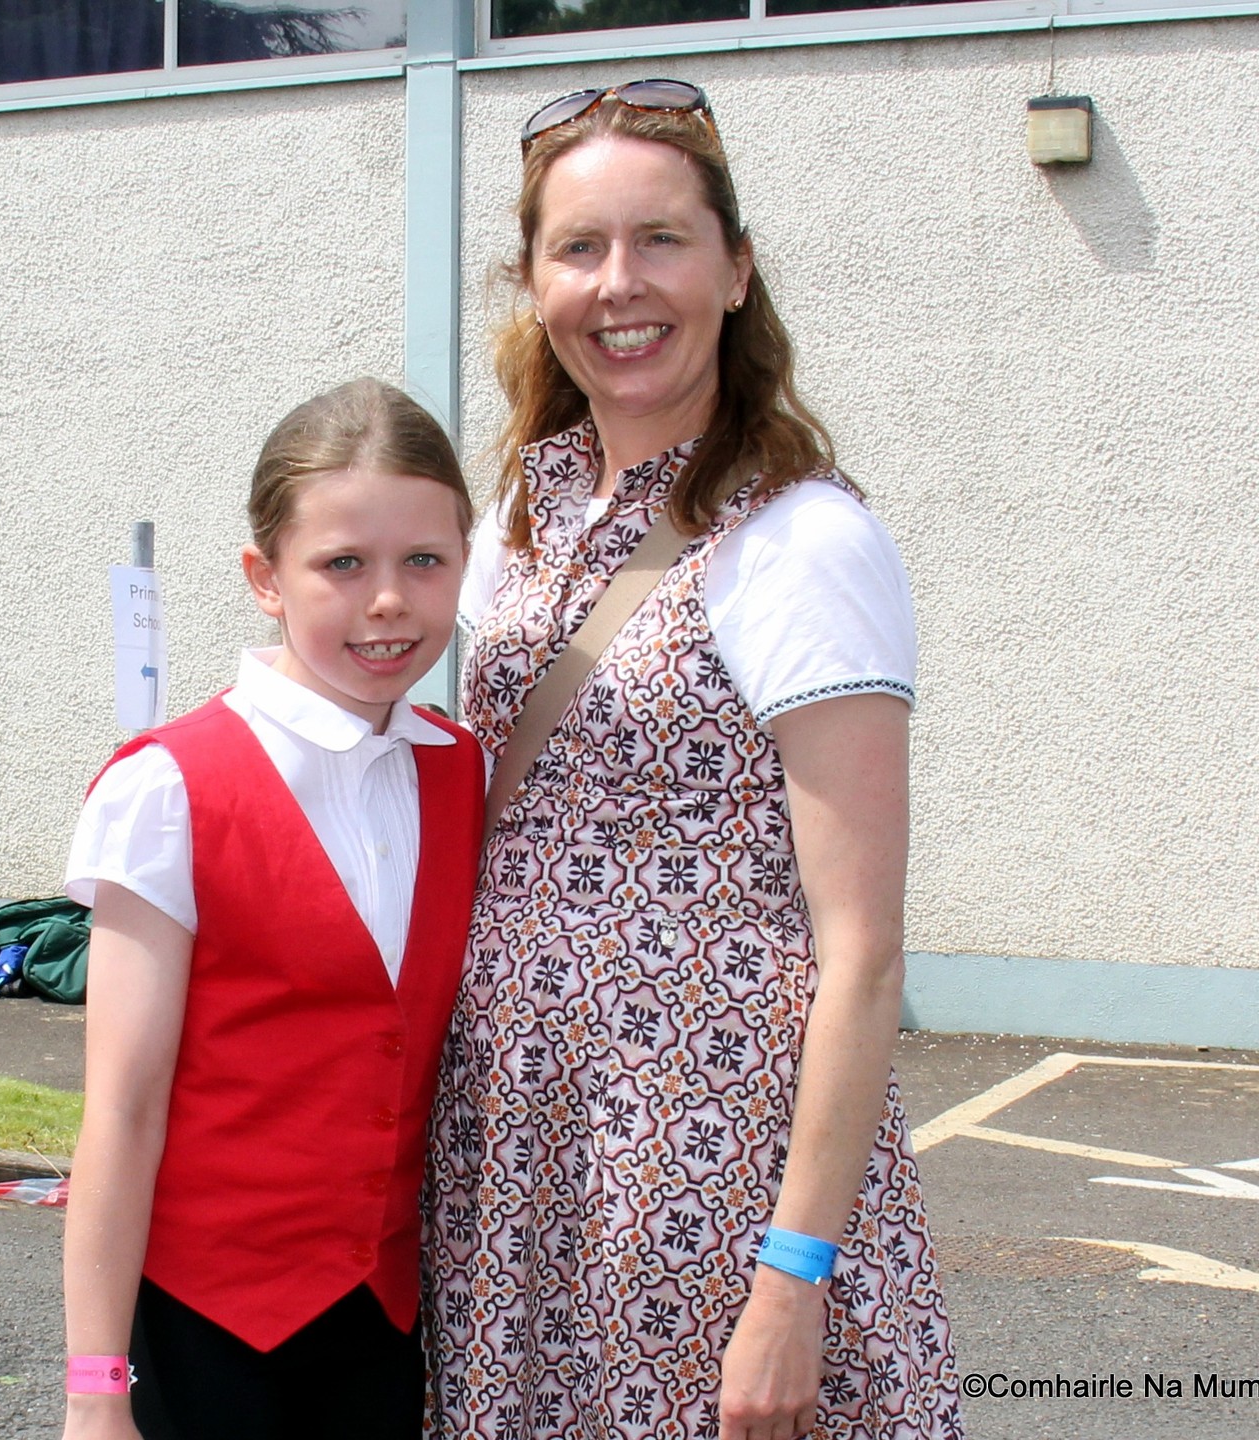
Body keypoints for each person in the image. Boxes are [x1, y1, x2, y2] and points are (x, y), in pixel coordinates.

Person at [424, 82, 964, 1440]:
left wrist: (794, 1277)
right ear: (534, 282)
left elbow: (863, 955)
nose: (621, 283)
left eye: (661, 239)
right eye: (580, 247)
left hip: (711, 1182)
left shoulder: (801, 541)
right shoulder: (524, 515)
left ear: (735, 269)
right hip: (521, 1166)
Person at [59, 377, 484, 1440]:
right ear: (265, 578)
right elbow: (122, 1109)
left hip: (384, 1320)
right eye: (342, 564)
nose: (387, 602)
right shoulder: (169, 789)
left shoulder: (463, 771)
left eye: (423, 561)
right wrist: (95, 1390)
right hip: (209, 1320)